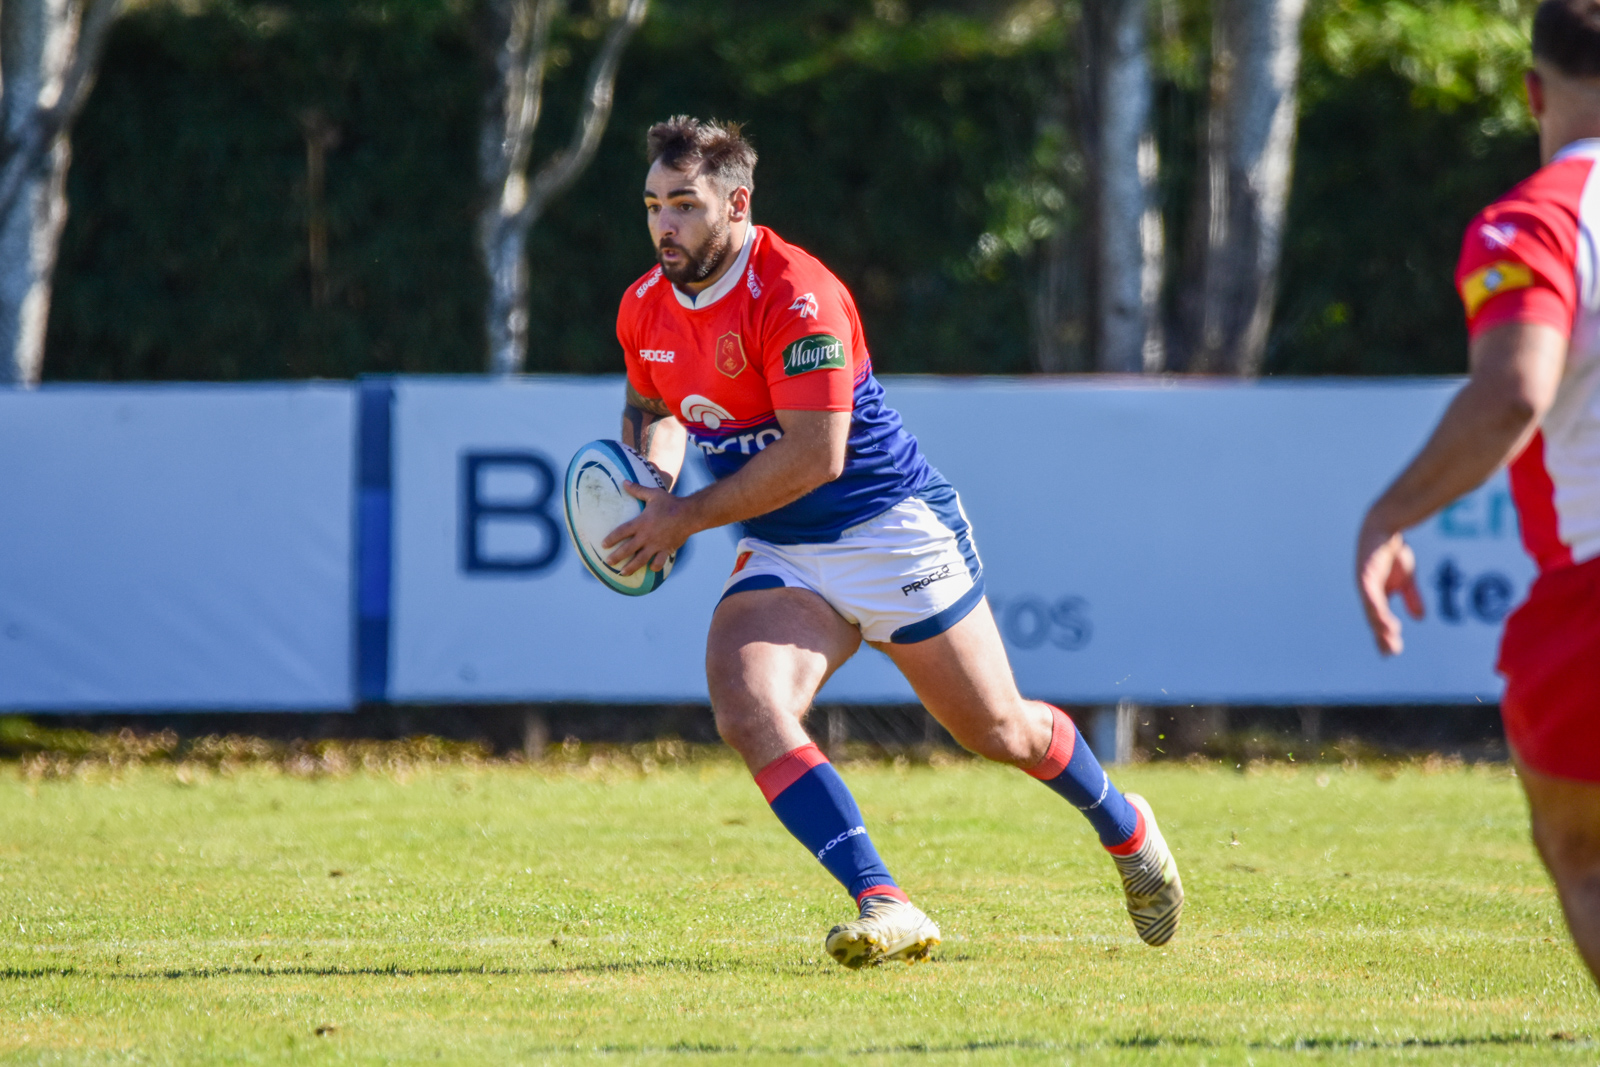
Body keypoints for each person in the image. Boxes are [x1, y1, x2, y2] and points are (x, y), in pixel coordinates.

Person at [601, 115, 1182, 968]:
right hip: (786, 551)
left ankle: (1126, 830)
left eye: (685, 204)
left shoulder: (797, 291)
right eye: (654, 205)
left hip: (887, 531)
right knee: (745, 697)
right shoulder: (645, 305)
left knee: (999, 730)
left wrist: (683, 517)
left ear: (737, 203)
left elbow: (816, 453)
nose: (664, 224)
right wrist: (653, 478)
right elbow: (653, 409)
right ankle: (885, 898)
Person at [1356, 0, 1600, 989]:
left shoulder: (1539, 217)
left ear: (1532, 92)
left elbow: (1510, 393)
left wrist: (1389, 515)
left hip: (1590, 584)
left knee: (1579, 845)